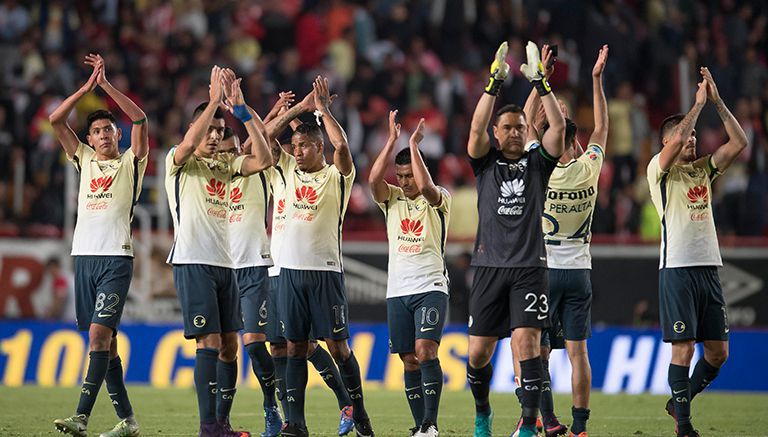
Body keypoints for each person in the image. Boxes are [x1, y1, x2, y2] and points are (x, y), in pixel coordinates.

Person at [164, 66, 273, 437]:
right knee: (208, 341)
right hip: (193, 260)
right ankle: (207, 426)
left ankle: (222, 423)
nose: (215, 136)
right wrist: (213, 103)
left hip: (227, 263)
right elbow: (187, 145)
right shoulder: (178, 163)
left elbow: (265, 160)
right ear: (196, 129)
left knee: (230, 347)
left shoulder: (226, 165)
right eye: (210, 129)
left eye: (220, 132)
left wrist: (242, 114)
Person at [465, 41, 565, 437]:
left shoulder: (538, 164)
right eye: (505, 127)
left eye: (519, 127)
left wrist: (541, 83)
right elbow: (474, 129)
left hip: (528, 268)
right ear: (496, 132)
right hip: (488, 266)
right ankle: (482, 411)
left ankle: (527, 424)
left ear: (528, 132)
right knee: (478, 354)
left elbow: (556, 127)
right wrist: (493, 84)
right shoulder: (484, 162)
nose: (512, 132)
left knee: (527, 345)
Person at [265, 76, 374, 437]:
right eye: (293, 146)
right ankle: (295, 425)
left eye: (303, 146)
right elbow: (265, 139)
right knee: (295, 346)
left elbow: (342, 146)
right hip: (290, 274)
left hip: (325, 272)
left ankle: (359, 415)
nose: (296, 152)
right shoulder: (283, 174)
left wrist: (322, 110)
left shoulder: (335, 176)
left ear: (318, 147)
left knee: (338, 347)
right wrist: (296, 110)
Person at [49, 53, 148, 437]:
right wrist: (84, 91)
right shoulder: (84, 159)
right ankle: (127, 420)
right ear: (89, 140)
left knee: (98, 337)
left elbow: (140, 119)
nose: (105, 135)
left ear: (117, 135)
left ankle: (82, 417)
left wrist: (106, 87)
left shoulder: (131, 164)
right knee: (107, 347)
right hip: (83, 258)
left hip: (115, 259)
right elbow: (56, 121)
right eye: (98, 131)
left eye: (110, 130)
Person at [647, 67, 747, 437]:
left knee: (718, 354)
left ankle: (679, 400)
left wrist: (717, 104)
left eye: (692, 136)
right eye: (683, 136)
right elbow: (673, 147)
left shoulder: (703, 170)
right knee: (683, 350)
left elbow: (739, 143)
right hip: (677, 269)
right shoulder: (658, 172)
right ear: (667, 142)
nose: (690, 140)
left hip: (708, 269)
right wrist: (695, 108)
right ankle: (685, 426)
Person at [522, 45, 609, 437]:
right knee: (578, 353)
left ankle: (547, 419)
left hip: (543, 272)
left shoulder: (540, 170)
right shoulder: (588, 169)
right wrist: (595, 79)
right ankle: (579, 428)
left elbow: (523, 125)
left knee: (538, 352)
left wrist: (540, 80)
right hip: (579, 271)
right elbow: (603, 128)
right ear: (576, 144)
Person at [369, 112, 452, 437]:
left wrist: (414, 145)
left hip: (430, 285)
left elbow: (428, 187)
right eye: (400, 176)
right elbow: (374, 182)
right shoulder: (392, 200)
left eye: (409, 175)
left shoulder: (439, 200)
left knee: (425, 350)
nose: (405, 181)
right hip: (398, 290)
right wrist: (392, 141)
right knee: (408, 359)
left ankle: (431, 424)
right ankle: (419, 426)